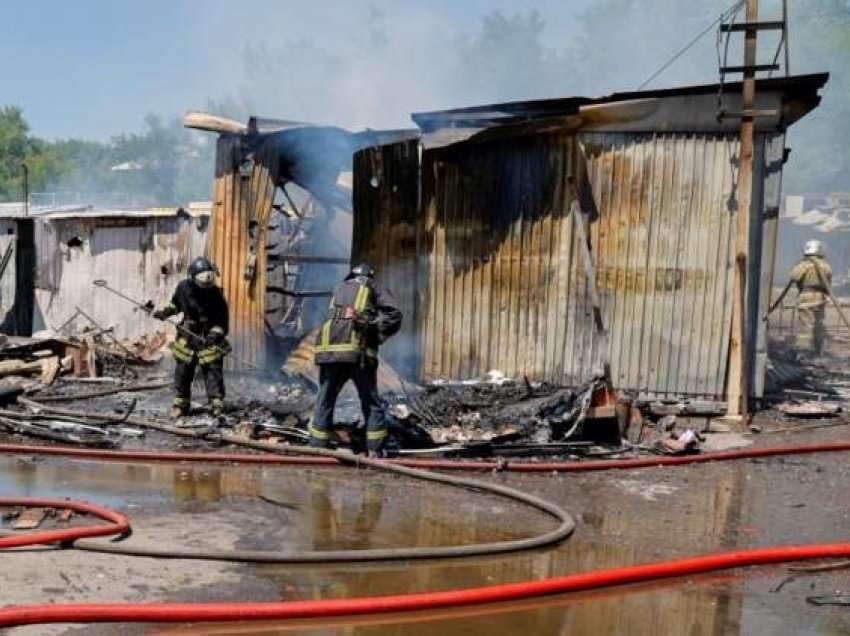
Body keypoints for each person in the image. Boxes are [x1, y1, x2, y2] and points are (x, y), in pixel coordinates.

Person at [310, 263, 402, 456]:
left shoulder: (338, 288)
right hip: (357, 353)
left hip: (329, 352)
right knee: (370, 401)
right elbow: (394, 315)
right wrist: (375, 328)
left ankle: (317, 448)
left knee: (325, 399)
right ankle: (375, 450)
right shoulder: (373, 285)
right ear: (370, 276)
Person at [152, 257, 230, 417]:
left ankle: (217, 406)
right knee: (183, 372)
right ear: (193, 279)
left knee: (212, 372)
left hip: (208, 337)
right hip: (187, 336)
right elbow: (176, 305)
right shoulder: (183, 288)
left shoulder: (216, 294)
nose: (206, 289)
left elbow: (222, 319)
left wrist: (215, 334)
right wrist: (166, 312)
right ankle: (181, 405)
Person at [770, 240, 833, 356]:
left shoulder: (803, 265)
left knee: (806, 326)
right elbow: (828, 281)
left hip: (806, 296)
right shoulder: (826, 266)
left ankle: (804, 351)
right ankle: (819, 350)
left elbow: (794, 277)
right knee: (819, 323)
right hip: (821, 297)